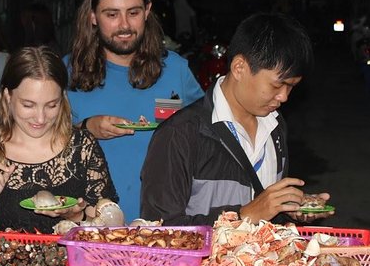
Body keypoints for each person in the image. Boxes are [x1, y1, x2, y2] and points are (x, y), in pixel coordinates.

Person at [141, 12, 333, 225]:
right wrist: (242, 217)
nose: (284, 97)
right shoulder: (179, 134)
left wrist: (287, 209)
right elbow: (159, 231)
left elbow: (265, 217)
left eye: (291, 87)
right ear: (239, 67)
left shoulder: (275, 127)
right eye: (278, 85)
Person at [65, 0, 204, 220]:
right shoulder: (65, 74)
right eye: (111, 14)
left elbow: (209, 138)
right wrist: (85, 128)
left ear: (147, 11)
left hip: (166, 228)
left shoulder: (176, 71)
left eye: (133, 13)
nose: (125, 25)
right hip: (90, 229)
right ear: (93, 16)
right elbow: (36, 146)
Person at [0, 46, 118, 233]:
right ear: (7, 97)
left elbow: (109, 231)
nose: (40, 118)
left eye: (51, 105)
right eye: (28, 105)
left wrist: (76, 217)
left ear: (62, 99)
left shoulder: (82, 148)